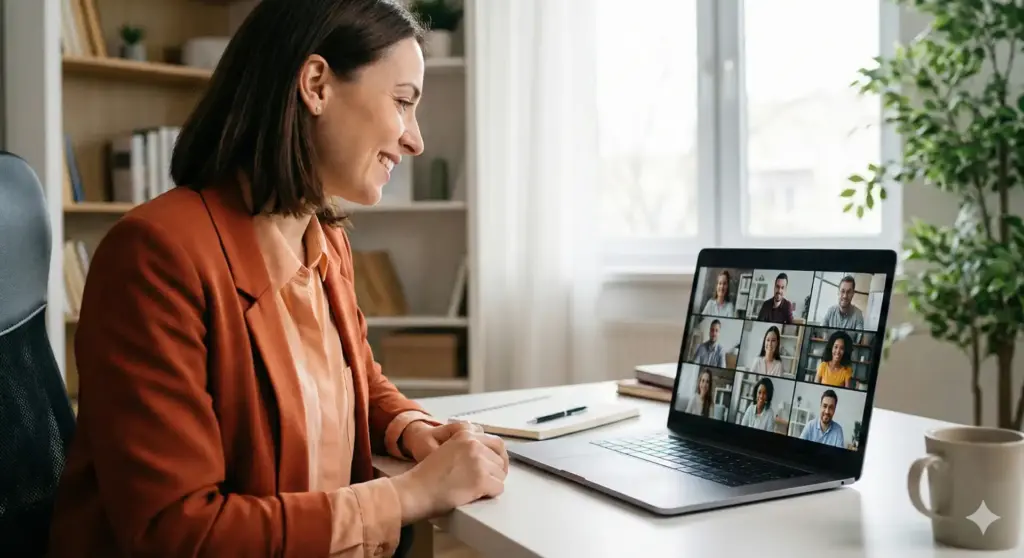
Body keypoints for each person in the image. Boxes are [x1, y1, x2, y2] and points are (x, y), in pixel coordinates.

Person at [46, 2, 507, 557]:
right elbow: (178, 532)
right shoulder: (155, 257)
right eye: (403, 103)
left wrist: (412, 428)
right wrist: (408, 496)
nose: (415, 140)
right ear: (316, 84)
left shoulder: (323, 240)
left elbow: (357, 377)